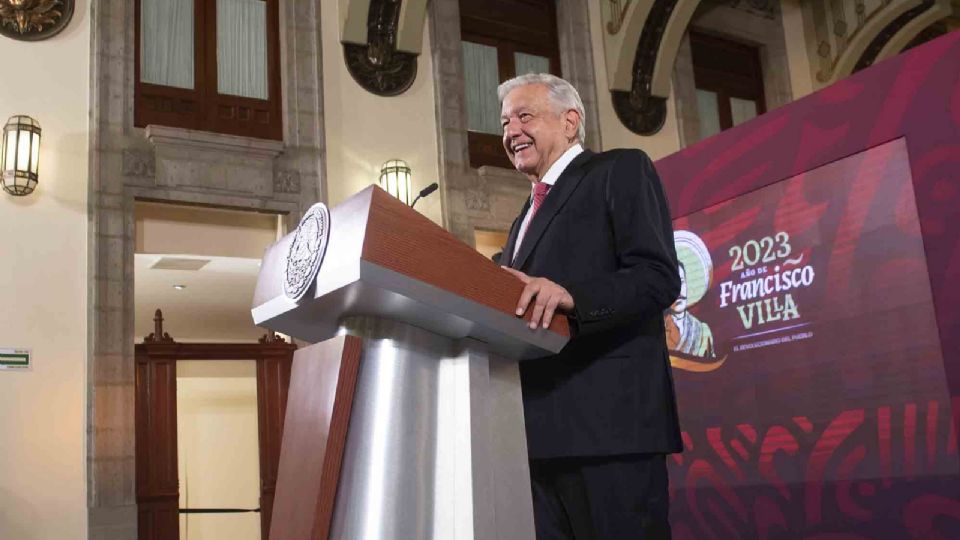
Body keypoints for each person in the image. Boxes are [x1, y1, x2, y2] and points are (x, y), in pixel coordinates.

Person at [497, 73, 682, 539]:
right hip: (535, 439)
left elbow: (658, 277)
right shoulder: (523, 218)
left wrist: (573, 296)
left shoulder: (620, 170)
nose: (510, 132)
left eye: (524, 116)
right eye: (504, 123)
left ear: (571, 121)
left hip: (610, 432)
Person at [664, 261, 715, 359]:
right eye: (672, 285)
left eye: (681, 282)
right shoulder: (657, 332)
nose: (678, 291)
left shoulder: (703, 332)